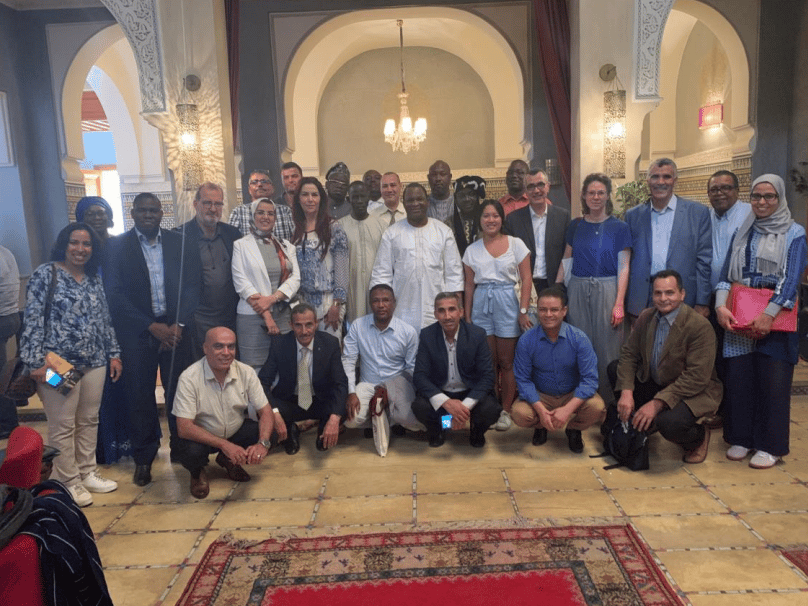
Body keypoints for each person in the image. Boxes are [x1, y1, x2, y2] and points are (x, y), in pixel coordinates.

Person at [20, 223, 122, 506]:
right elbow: (32, 319)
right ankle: (68, 481)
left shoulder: (93, 278)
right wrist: (35, 362)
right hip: (56, 365)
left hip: (94, 361)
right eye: (74, 243)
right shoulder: (46, 274)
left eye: (86, 244)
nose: (80, 249)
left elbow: (104, 319)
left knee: (89, 420)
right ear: (64, 245)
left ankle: (87, 472)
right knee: (63, 423)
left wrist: (113, 353)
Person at [105, 192, 201, 486]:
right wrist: (150, 326)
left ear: (162, 213)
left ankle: (182, 449)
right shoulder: (117, 246)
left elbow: (194, 285)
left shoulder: (179, 242)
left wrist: (178, 324)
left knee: (179, 393)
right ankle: (144, 458)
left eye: (153, 210)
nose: (148, 214)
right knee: (140, 396)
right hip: (138, 334)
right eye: (142, 210)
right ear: (133, 213)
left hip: (176, 331)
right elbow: (115, 294)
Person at [715, 174, 807, 469]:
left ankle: (770, 445)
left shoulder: (794, 232)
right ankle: (741, 437)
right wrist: (720, 306)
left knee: (773, 381)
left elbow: (791, 279)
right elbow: (726, 274)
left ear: (780, 198)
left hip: (775, 316)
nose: (762, 202)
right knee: (740, 379)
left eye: (769, 196)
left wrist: (768, 314)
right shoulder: (744, 229)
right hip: (740, 312)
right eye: (756, 196)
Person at [613, 270, 721, 464]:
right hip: (658, 381)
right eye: (658, 293)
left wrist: (656, 404)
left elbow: (696, 377)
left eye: (670, 292)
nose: (663, 298)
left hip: (690, 390)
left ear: (682, 294)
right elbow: (629, 354)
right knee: (615, 370)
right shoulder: (646, 316)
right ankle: (646, 421)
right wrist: (626, 392)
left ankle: (698, 437)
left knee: (670, 424)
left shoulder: (699, 326)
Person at [173, 327, 275, 499]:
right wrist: (225, 445)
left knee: (272, 433)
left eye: (231, 346)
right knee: (189, 451)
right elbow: (184, 427)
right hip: (203, 437)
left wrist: (263, 443)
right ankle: (197, 473)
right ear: (205, 348)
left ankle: (227, 460)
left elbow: (265, 411)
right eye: (218, 346)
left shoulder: (246, 372)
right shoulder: (189, 377)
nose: (226, 353)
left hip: (234, 431)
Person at [556, 173, 631, 405]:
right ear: (584, 196)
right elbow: (567, 259)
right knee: (579, 345)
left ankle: (609, 404)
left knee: (609, 348)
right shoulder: (576, 225)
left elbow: (624, 266)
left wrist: (619, 304)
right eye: (591, 193)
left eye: (600, 193)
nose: (596, 197)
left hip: (608, 288)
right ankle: (582, 402)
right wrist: (558, 290)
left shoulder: (620, 227)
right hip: (577, 288)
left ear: (608, 196)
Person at [462, 199, 532, 431]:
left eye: (495, 215)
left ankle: (506, 409)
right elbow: (469, 285)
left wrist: (523, 311)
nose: (491, 220)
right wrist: (468, 316)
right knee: (488, 363)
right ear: (479, 220)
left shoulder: (516, 244)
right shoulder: (471, 250)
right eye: (486, 216)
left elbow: (526, 279)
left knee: (506, 361)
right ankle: (491, 408)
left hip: (507, 302)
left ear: (502, 218)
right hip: (481, 303)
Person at [512, 286, 604, 453]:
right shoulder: (526, 340)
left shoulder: (579, 339)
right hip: (542, 395)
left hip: (571, 393)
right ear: (537, 311)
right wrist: (541, 410)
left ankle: (573, 429)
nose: (548, 315)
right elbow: (523, 380)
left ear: (564, 311)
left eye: (554, 310)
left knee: (597, 407)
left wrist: (568, 410)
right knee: (519, 413)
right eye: (543, 310)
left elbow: (590, 380)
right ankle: (542, 426)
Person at [75, 196, 130, 463]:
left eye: (101, 213)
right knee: (85, 399)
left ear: (109, 216)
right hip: (81, 343)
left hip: (121, 329)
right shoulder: (79, 252)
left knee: (122, 387)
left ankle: (126, 445)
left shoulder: (121, 245)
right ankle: (98, 451)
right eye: (90, 214)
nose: (97, 218)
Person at [625, 158, 712, 319]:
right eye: (655, 177)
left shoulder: (698, 213)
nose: (660, 182)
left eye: (666, 177)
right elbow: (626, 260)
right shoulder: (632, 216)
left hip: (682, 297)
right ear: (647, 180)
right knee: (644, 336)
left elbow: (704, 262)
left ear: (675, 180)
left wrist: (702, 301)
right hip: (642, 298)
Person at [371, 182, 464, 332]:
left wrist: (456, 308)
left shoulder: (443, 231)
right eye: (410, 200)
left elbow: (454, 274)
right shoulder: (392, 233)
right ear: (404, 204)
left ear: (427, 202)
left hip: (438, 311)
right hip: (402, 310)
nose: (415, 204)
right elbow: (382, 273)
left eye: (419, 199)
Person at [413, 292, 500, 448]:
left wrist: (462, 409)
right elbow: (419, 376)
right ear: (435, 314)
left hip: (469, 392)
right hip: (443, 392)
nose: (447, 316)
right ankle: (442, 428)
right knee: (420, 406)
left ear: (461, 312)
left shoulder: (477, 335)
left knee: (491, 409)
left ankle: (475, 430)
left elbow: (488, 376)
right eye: (441, 311)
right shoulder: (427, 335)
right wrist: (446, 403)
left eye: (452, 309)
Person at [258, 304, 348, 453]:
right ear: (291, 325)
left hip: (320, 399)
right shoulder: (280, 344)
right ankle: (290, 429)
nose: (304, 331)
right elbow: (262, 382)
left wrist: (334, 419)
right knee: (263, 409)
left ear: (316, 324)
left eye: (309, 325)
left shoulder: (330, 343)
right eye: (298, 325)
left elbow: (341, 382)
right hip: (290, 400)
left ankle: (324, 427)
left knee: (344, 405)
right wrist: (274, 413)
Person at [343, 284, 422, 434]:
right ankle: (385, 420)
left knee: (413, 422)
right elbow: (348, 360)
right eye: (376, 301)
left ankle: (385, 419)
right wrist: (351, 392)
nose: (381, 305)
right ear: (370, 303)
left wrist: (390, 388)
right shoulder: (358, 326)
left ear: (394, 303)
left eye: (386, 300)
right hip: (368, 384)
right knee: (351, 420)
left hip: (396, 384)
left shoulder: (407, 331)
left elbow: (412, 368)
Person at [705, 170, 752, 427]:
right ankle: (723, 411)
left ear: (737, 190)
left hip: (742, 298)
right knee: (717, 358)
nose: (720, 193)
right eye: (714, 189)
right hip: (712, 298)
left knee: (739, 359)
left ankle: (741, 415)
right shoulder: (706, 216)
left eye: (726, 188)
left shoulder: (750, 214)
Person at [177, 182, 243, 360]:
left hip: (229, 316)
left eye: (218, 204)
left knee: (229, 363)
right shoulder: (179, 236)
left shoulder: (233, 234)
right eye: (207, 203)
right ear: (195, 204)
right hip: (197, 319)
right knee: (201, 366)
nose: (213, 209)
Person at [231, 198, 300, 368]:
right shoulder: (240, 245)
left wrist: (272, 299)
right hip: (252, 316)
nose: (265, 217)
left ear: (275, 218)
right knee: (254, 368)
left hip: (283, 314)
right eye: (260, 212)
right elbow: (241, 282)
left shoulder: (286, 246)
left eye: (270, 213)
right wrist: (267, 315)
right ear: (253, 216)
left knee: (284, 366)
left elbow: (295, 278)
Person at [292, 177, 349, 340]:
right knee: (304, 350)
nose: (310, 199)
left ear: (321, 199)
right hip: (302, 303)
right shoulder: (294, 229)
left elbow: (342, 269)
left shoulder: (333, 228)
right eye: (305, 195)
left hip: (329, 302)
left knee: (329, 348)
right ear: (298, 199)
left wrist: (337, 304)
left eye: (314, 195)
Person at [505, 169, 570, 294]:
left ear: (548, 187)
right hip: (523, 287)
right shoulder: (513, 219)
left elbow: (566, 256)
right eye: (531, 186)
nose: (536, 190)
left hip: (554, 286)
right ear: (525, 191)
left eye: (540, 184)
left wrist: (559, 285)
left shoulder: (563, 217)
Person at [339, 181, 386, 323]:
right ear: (349, 199)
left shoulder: (381, 225)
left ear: (368, 198)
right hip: (351, 287)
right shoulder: (339, 226)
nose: (359, 201)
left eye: (363, 196)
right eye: (355, 197)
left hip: (377, 285)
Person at [230, 169, 294, 241]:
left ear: (272, 188)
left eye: (264, 181)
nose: (260, 185)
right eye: (254, 182)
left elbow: (296, 240)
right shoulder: (238, 212)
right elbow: (230, 241)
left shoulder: (285, 211)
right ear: (249, 189)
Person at [0, 245, 21, 439]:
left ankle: (7, 423)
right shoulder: (5, 251)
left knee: (1, 373)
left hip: (2, 317)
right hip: (11, 316)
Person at [446, 175, 485, 257]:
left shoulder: (487, 221)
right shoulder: (448, 224)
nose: (467, 199)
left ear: (477, 197)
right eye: (462, 196)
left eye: (471, 194)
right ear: (456, 199)